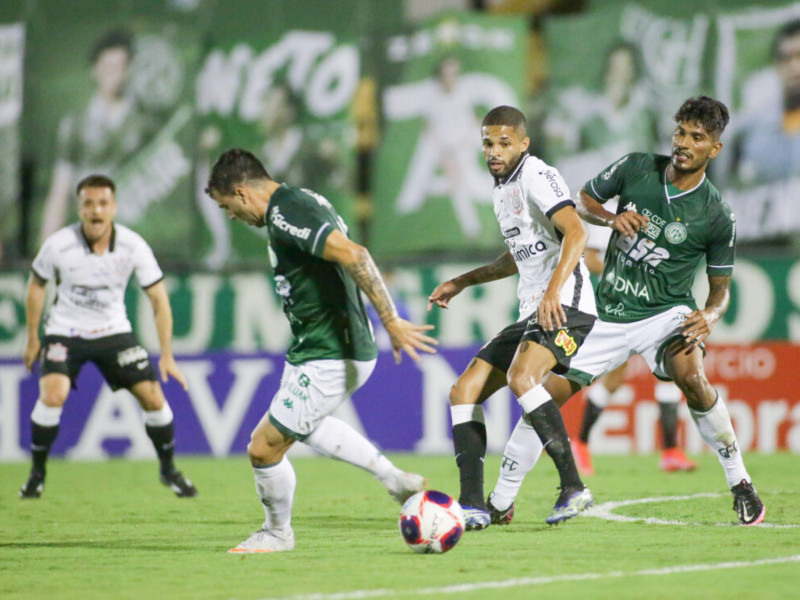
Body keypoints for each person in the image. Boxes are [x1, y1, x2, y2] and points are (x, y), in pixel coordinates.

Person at [489, 96, 766, 527]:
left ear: (715, 149)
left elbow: (720, 292)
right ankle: (501, 500)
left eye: (697, 137)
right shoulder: (637, 167)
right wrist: (610, 217)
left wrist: (710, 316)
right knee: (543, 395)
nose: (684, 143)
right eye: (680, 132)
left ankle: (741, 484)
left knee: (691, 376)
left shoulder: (717, 216)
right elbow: (581, 202)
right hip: (608, 313)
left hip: (667, 314)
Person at [205, 148, 438, 553]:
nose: (231, 216)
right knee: (308, 426)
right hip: (314, 346)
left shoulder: (287, 212)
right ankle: (394, 480)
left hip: (331, 351)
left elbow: (356, 255)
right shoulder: (304, 200)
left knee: (263, 448)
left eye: (227, 206)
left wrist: (391, 321)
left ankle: (278, 534)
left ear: (241, 193)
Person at [427, 105, 596, 530]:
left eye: (505, 142)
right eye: (488, 142)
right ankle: (472, 505)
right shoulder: (501, 188)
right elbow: (517, 256)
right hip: (533, 307)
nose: (494, 151)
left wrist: (554, 291)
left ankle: (573, 486)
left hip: (567, 303)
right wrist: (464, 280)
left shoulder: (537, 174)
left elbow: (577, 233)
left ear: (524, 142)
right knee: (463, 390)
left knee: (523, 377)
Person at [20, 174, 196, 499]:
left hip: (113, 332)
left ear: (113, 207)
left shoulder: (132, 245)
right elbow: (36, 285)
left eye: (103, 203)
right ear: (79, 208)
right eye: (89, 203)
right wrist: (33, 337)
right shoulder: (58, 244)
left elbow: (159, 299)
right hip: (65, 331)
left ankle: (169, 471)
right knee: (53, 395)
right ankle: (36, 475)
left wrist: (167, 354)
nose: (96, 210)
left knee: (154, 397)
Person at [571, 201, 697, 476]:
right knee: (612, 379)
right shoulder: (616, 212)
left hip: (653, 310)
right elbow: (590, 258)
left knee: (671, 371)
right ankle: (578, 443)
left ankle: (671, 451)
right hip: (616, 308)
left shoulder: (669, 214)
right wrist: (629, 275)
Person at [38, 29, 156, 243]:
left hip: (135, 239)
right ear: (95, 70)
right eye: (108, 66)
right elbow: (59, 192)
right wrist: (45, 254)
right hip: (90, 239)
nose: (115, 74)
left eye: (121, 66)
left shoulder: (144, 124)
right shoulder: (75, 125)